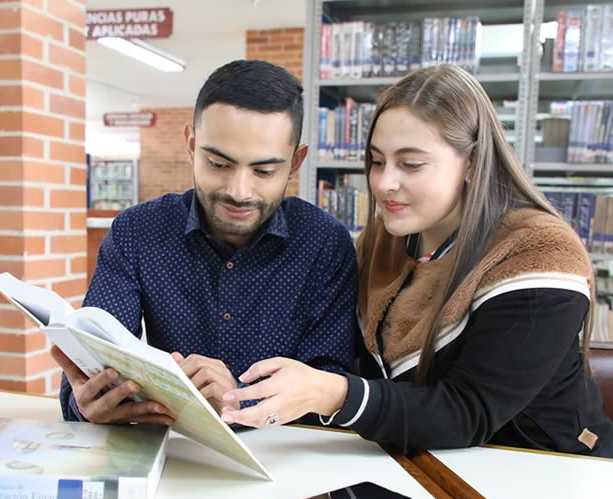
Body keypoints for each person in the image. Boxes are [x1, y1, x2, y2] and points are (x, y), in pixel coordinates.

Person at [221, 64, 613, 458]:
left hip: (544, 471)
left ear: (473, 163)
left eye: (411, 164)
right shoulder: (382, 241)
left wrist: (334, 393)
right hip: (419, 466)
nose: (384, 183)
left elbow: (467, 411)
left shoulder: (537, 252)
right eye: (377, 161)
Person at [57, 60, 357, 426]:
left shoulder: (325, 244)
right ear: (191, 145)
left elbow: (331, 391)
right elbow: (94, 355)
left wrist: (239, 402)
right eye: (218, 164)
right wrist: (85, 403)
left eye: (264, 171)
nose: (238, 191)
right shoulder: (137, 232)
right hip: (170, 455)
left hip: (284, 464)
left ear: (295, 163)